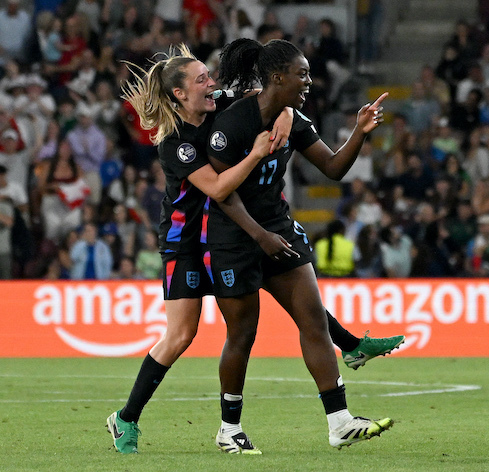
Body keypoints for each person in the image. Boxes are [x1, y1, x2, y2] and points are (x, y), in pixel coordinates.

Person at [106, 45, 403, 455]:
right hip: (186, 241)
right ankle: (126, 418)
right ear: (179, 94)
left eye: (210, 76)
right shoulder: (177, 144)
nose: (213, 83)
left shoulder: (221, 104)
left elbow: (267, 98)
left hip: (233, 227)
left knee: (304, 307)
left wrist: (287, 113)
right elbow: (219, 188)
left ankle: (346, 371)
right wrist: (260, 152)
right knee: (182, 334)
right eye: (201, 79)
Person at [205, 38, 394, 453]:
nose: (309, 81)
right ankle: (229, 429)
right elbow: (221, 193)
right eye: (302, 74)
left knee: (313, 319)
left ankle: (340, 423)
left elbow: (333, 167)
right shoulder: (232, 124)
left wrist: (360, 133)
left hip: (278, 227)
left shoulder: (295, 119)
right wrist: (260, 236)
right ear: (277, 77)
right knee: (243, 334)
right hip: (235, 236)